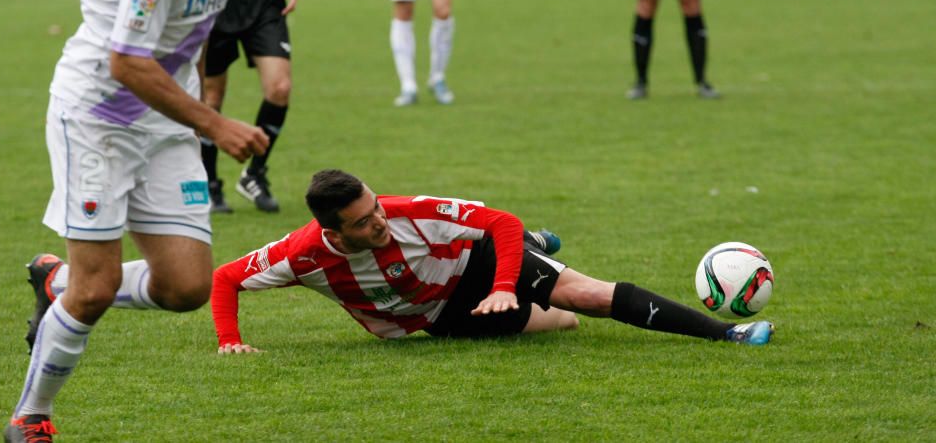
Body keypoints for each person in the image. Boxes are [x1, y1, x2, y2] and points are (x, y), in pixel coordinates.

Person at [3, 0, 288, 443]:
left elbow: (188, 33)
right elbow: (126, 61)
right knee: (97, 288)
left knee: (187, 286)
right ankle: (31, 416)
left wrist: (195, 110)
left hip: (162, 122)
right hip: (98, 119)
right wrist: (215, 123)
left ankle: (54, 281)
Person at [201, 169, 774, 351]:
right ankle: (530, 255)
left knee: (584, 297)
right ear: (332, 230)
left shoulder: (408, 211)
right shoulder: (301, 255)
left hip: (474, 267)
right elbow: (225, 278)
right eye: (364, 222)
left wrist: (502, 282)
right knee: (564, 322)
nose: (379, 222)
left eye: (376, 209)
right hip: (437, 320)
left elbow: (498, 220)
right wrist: (229, 342)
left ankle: (728, 334)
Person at [201, 0, 304, 214]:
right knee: (210, 98)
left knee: (280, 88)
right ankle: (209, 183)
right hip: (218, 0)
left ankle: (255, 172)